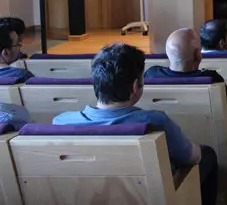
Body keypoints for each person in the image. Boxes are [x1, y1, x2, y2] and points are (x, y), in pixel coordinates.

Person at [53, 43, 218, 205]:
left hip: (81, 196)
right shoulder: (154, 121)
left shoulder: (60, 123)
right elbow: (191, 156)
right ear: (135, 87)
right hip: (150, 196)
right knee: (207, 154)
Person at [145, 28, 227, 175]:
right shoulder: (211, 78)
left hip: (169, 140)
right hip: (213, 134)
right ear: (198, 54)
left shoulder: (151, 74)